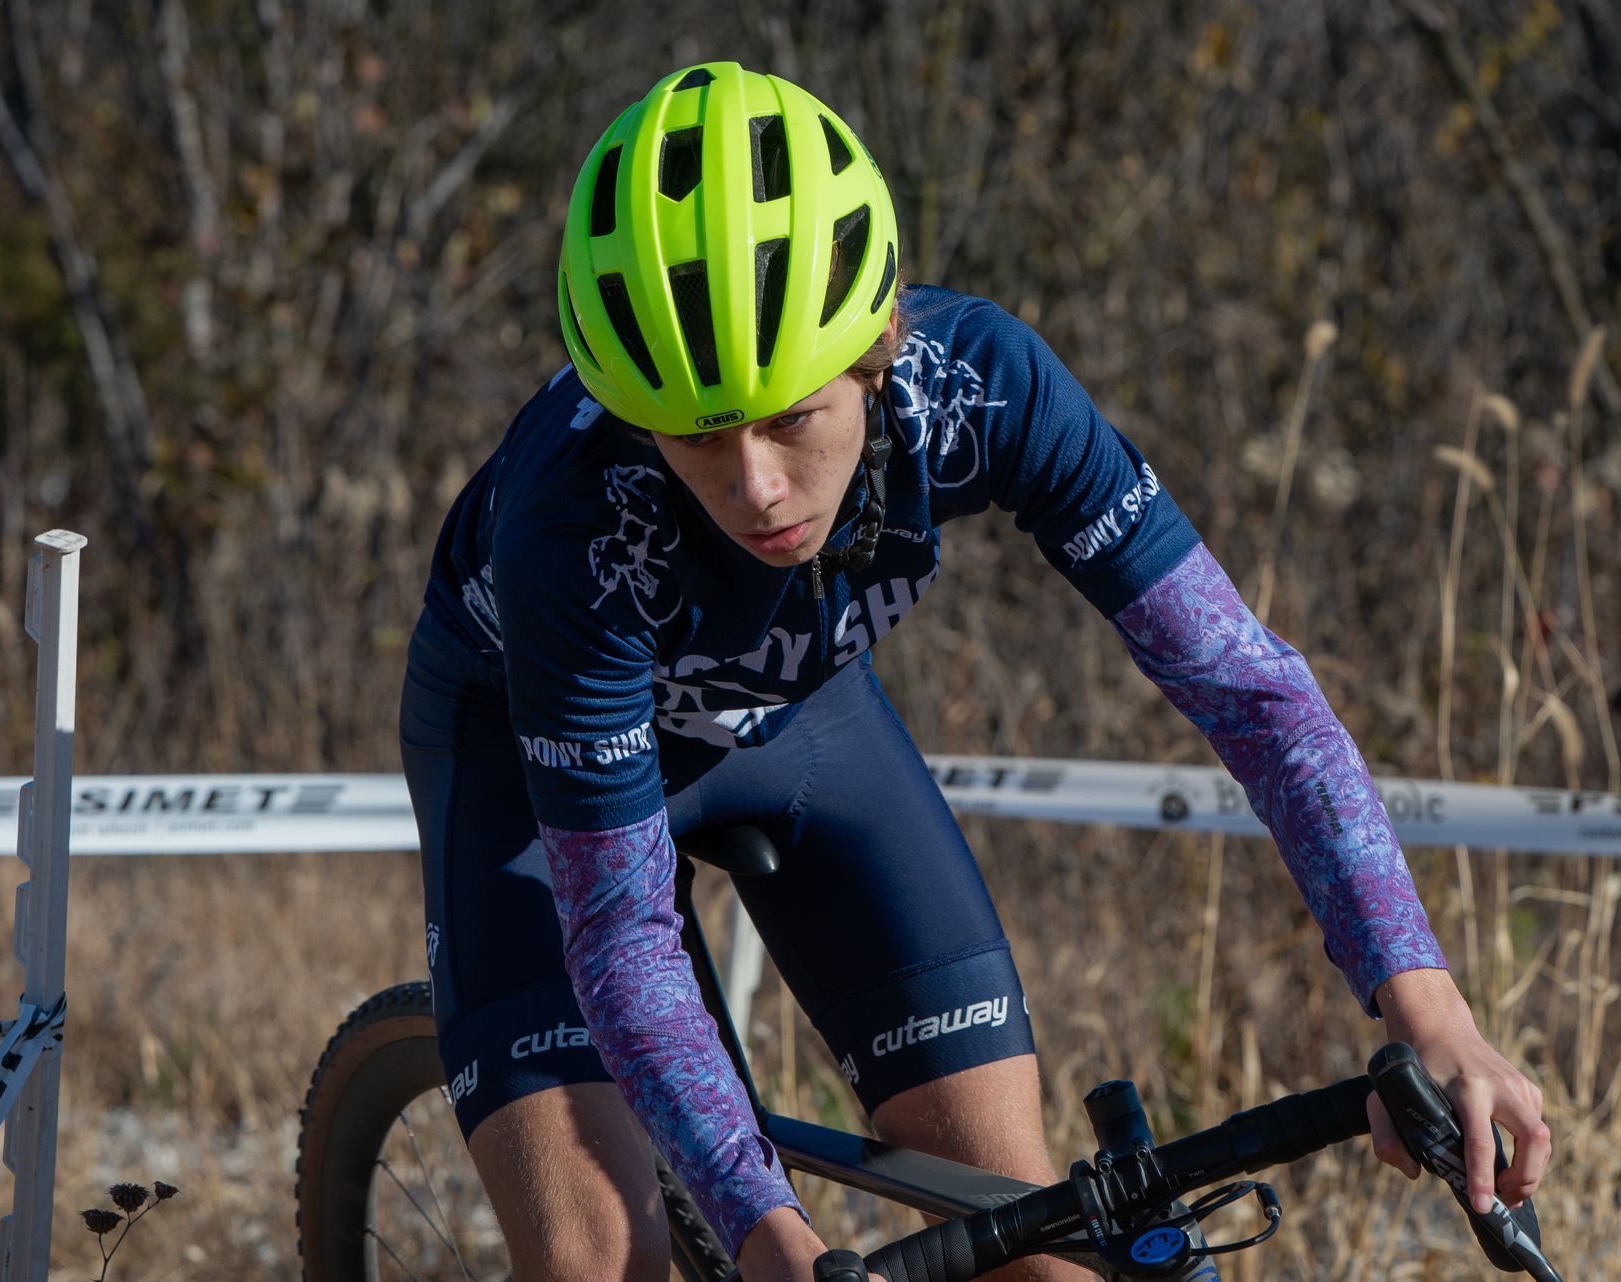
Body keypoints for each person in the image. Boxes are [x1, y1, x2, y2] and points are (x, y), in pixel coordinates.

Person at [398, 61, 1549, 1282]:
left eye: (790, 416)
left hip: (797, 719)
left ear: (876, 345)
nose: (756, 488)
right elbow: (622, 934)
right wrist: (767, 1231)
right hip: (519, 759)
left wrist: (1430, 1009)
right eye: (698, 433)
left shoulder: (980, 387)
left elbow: (1253, 695)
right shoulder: (575, 530)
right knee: (599, 1262)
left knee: (1031, 1245)